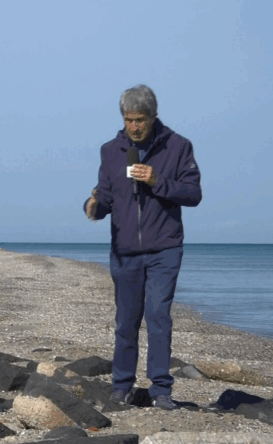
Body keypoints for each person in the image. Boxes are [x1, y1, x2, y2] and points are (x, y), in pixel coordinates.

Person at [84, 84, 202, 410]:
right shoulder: (110, 151)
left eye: (140, 120)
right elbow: (105, 195)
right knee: (126, 322)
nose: (134, 127)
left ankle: (161, 390)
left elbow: (193, 194)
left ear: (153, 117)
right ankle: (121, 387)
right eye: (128, 120)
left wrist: (156, 181)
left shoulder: (178, 146)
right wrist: (94, 206)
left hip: (165, 248)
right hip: (124, 251)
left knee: (158, 316)